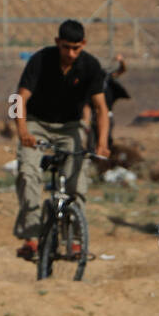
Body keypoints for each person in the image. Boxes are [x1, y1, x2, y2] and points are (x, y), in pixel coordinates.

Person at [12, 19, 110, 260]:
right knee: (28, 173)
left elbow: (101, 108)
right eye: (66, 47)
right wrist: (23, 132)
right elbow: (19, 99)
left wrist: (102, 143)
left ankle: (75, 242)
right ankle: (32, 238)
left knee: (77, 179)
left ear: (83, 44)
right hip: (37, 124)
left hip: (71, 127)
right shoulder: (41, 60)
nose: (71, 53)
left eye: (76, 48)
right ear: (57, 43)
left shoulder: (90, 66)